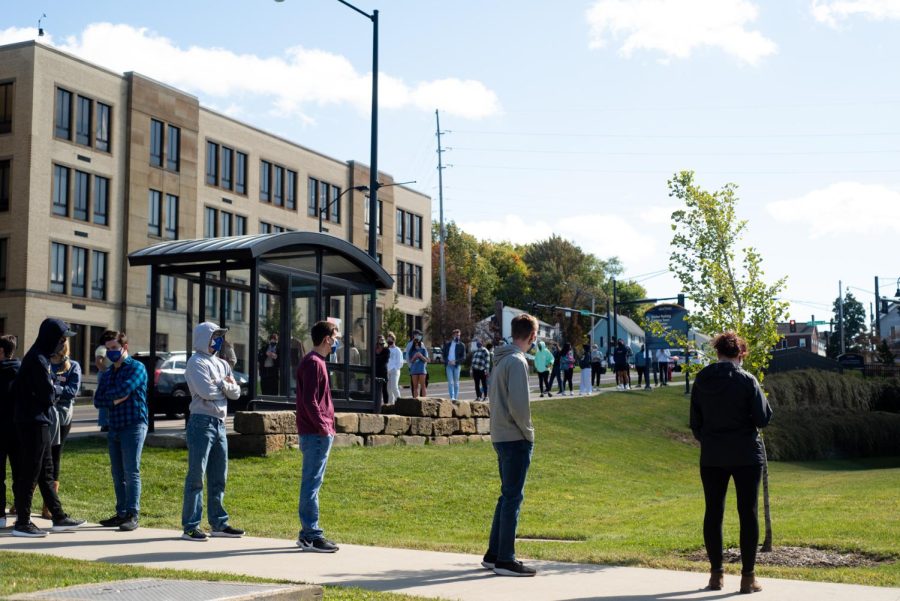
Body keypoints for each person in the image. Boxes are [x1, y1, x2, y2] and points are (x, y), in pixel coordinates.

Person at [690, 331, 772, 594]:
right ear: (741, 354)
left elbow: (695, 423)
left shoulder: (702, 379)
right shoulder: (748, 381)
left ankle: (716, 576)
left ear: (717, 353)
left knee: (713, 513)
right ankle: (748, 578)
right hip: (746, 455)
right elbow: (762, 418)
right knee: (747, 513)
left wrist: (711, 439)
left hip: (713, 455)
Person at [11, 318, 84, 537]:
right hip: (33, 422)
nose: (63, 344)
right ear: (51, 338)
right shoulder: (37, 359)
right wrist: (52, 390)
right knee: (31, 472)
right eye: (61, 339)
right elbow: (48, 394)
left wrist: (52, 390)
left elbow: (49, 392)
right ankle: (22, 522)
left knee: (46, 471)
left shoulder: (39, 358)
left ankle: (58, 516)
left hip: (41, 420)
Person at [481, 313, 539, 577]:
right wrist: (529, 433)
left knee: (506, 496)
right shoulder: (516, 361)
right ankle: (506, 558)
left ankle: (494, 554)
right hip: (514, 437)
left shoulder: (501, 359)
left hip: (500, 435)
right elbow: (520, 406)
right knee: (513, 497)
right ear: (532, 336)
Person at [181, 322, 244, 541]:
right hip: (201, 423)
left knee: (219, 476)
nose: (217, 341)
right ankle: (190, 525)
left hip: (220, 423)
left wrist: (224, 387)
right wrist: (224, 386)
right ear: (203, 338)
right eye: (214, 336)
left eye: (219, 337)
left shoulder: (222, 364)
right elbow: (205, 392)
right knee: (196, 475)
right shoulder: (195, 362)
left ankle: (219, 523)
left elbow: (236, 393)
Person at [92, 330, 148, 532]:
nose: (111, 352)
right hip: (114, 425)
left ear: (124, 347)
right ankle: (121, 513)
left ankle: (132, 514)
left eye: (114, 348)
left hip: (133, 424)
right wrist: (113, 399)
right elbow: (98, 400)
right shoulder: (107, 374)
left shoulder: (137, 368)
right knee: (117, 473)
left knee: (131, 471)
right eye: (108, 349)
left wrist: (113, 396)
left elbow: (125, 389)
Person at [295, 320, 341, 553]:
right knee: (311, 485)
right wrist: (324, 426)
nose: (337, 340)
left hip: (318, 433)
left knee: (314, 483)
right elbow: (309, 400)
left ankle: (306, 534)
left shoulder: (317, 362)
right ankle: (312, 535)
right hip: (315, 434)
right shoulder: (314, 363)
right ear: (327, 339)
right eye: (335, 336)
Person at [43, 339, 81, 520]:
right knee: (38, 456)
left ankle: (48, 506)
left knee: (54, 457)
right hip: (44, 415)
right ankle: (22, 503)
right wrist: (58, 389)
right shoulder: (45, 363)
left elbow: (72, 391)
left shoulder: (73, 366)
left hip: (62, 418)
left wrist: (51, 388)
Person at [0, 335, 20, 529]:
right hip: (18, 431)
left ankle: (0, 516)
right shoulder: (22, 371)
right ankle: (23, 514)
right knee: (19, 475)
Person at [94, 340, 112, 432]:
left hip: (108, 374)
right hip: (106, 374)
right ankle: (104, 424)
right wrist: (107, 372)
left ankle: (107, 423)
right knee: (105, 399)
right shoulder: (102, 349)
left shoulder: (106, 348)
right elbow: (98, 362)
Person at [442, 329, 465, 401]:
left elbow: (463, 357)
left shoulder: (462, 345)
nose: (457, 336)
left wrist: (456, 362)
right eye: (456, 335)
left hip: (456, 366)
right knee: (450, 382)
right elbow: (444, 355)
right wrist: (447, 361)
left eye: (458, 335)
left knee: (456, 382)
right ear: (453, 335)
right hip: (449, 365)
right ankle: (452, 397)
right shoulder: (448, 344)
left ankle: (455, 397)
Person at [386, 332, 403, 405]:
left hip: (394, 371)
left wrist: (395, 368)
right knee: (389, 389)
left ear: (393, 340)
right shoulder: (387, 350)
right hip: (387, 371)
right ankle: (391, 404)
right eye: (388, 340)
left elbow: (400, 362)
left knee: (394, 387)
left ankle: (400, 403)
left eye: (390, 340)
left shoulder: (397, 350)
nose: (389, 341)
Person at [374, 335, 389, 408]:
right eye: (380, 344)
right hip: (375, 371)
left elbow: (385, 360)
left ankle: (386, 404)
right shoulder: (374, 349)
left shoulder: (386, 350)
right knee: (375, 389)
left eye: (383, 344)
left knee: (384, 389)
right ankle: (376, 404)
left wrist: (378, 358)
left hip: (383, 371)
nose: (382, 345)